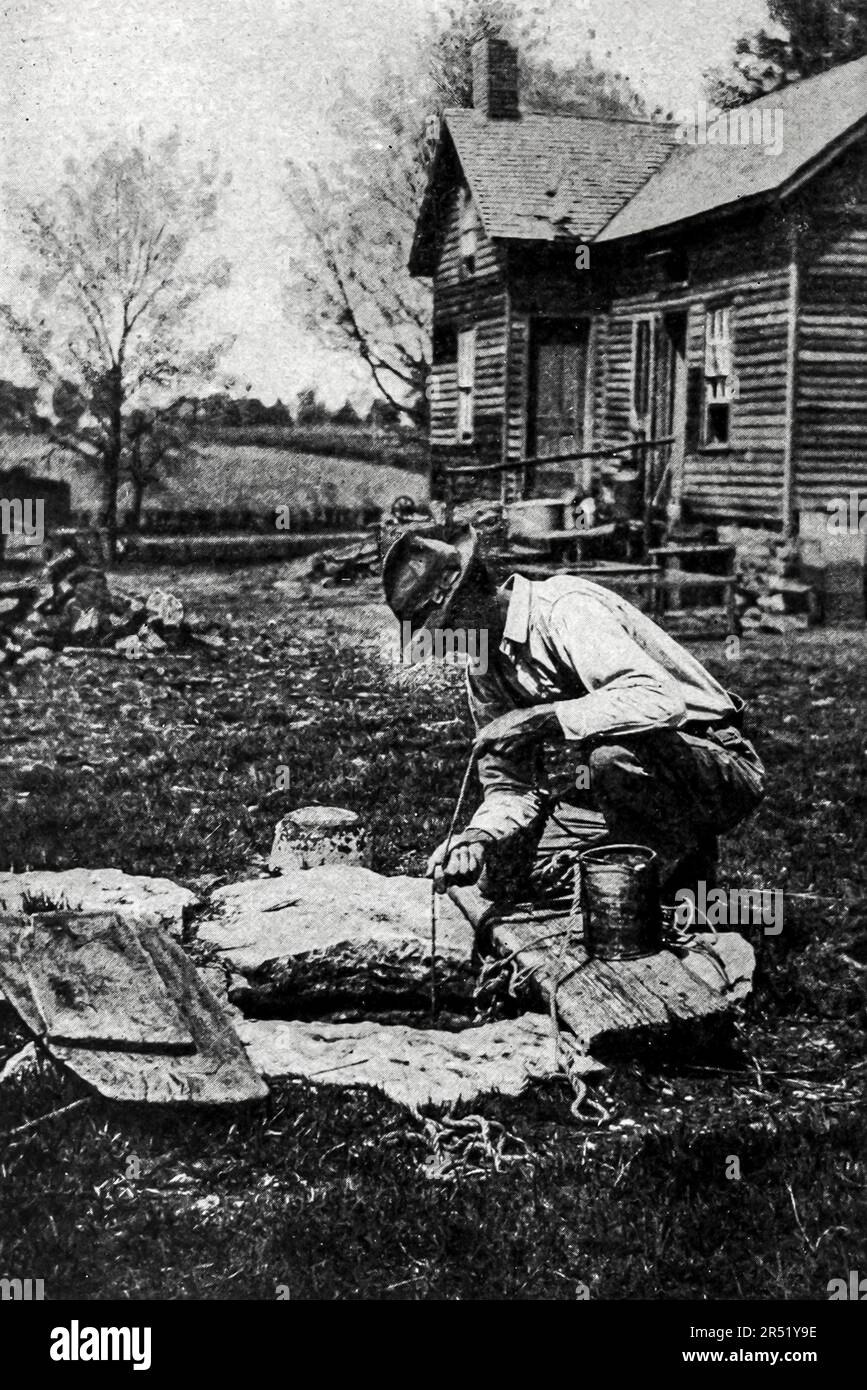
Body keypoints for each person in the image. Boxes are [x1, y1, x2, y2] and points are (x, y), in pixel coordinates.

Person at [382, 524, 765, 902]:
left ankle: (674, 880)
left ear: (471, 595)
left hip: (713, 764)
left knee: (611, 763)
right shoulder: (483, 664)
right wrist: (477, 838)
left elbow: (659, 700)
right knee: (500, 878)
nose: (448, 646)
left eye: (446, 628)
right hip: (613, 781)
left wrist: (541, 719)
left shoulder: (565, 609)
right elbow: (509, 785)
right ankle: (641, 856)